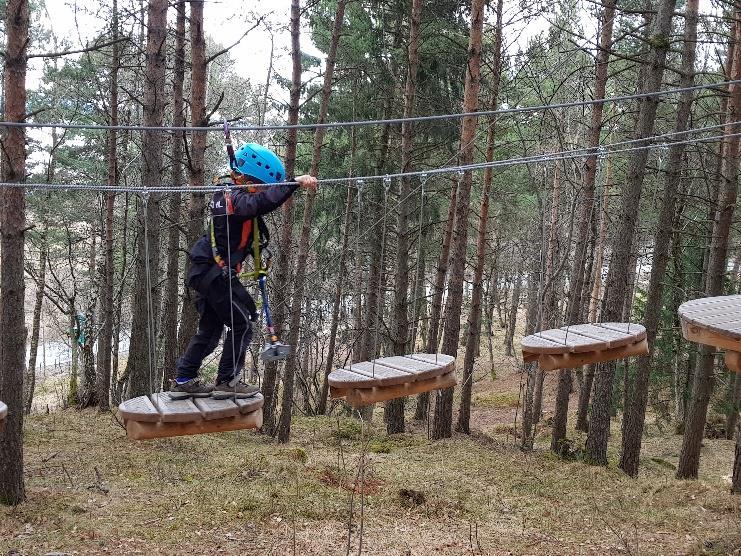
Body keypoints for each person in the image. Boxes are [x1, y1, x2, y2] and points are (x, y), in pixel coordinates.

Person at [169, 143, 317, 400]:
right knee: (243, 322)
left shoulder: (229, 193)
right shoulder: (232, 195)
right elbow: (257, 203)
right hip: (213, 272)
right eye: (261, 186)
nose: (262, 191)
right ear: (250, 179)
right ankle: (227, 380)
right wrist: (294, 184)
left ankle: (183, 378)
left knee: (211, 330)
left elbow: (255, 208)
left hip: (208, 271)